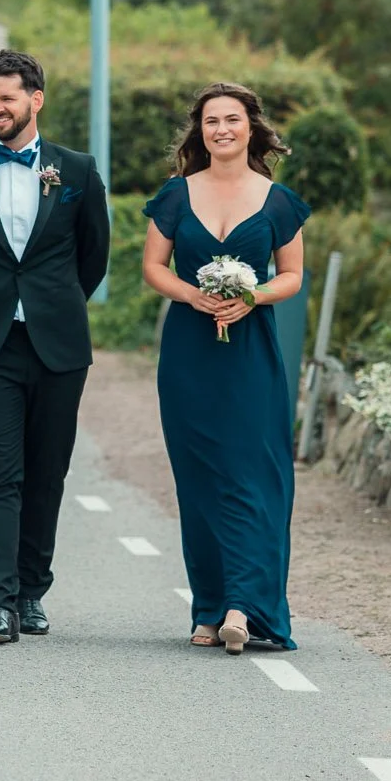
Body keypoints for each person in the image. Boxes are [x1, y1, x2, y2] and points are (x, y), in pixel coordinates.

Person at [0, 49, 108, 645]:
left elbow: (93, 255)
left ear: (36, 99)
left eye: (6, 98)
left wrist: (57, 306)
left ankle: (32, 590)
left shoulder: (77, 170)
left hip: (59, 346)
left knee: (47, 473)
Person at [141, 81, 307, 654]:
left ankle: (243, 606)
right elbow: (153, 267)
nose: (222, 130)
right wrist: (191, 294)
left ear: (251, 127)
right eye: (211, 121)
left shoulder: (278, 201)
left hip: (250, 356)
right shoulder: (176, 194)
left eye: (232, 119)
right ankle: (209, 607)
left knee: (251, 475)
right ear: (200, 131)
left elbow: (292, 275)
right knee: (200, 481)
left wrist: (252, 296)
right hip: (188, 355)